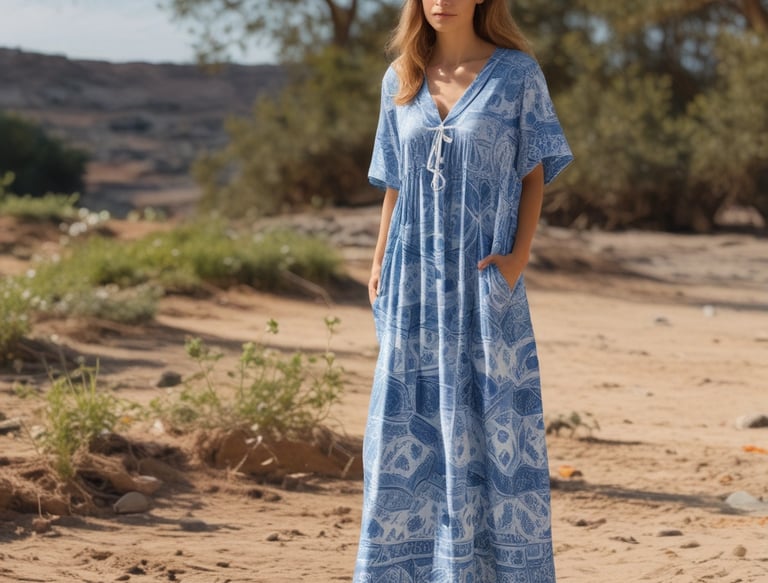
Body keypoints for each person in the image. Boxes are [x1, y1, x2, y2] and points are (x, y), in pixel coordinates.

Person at [354, 0, 573, 581]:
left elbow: (534, 171)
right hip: (412, 286)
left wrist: (516, 260)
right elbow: (395, 182)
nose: (441, 1)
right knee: (404, 428)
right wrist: (377, 262)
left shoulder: (517, 74)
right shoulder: (400, 78)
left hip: (483, 284)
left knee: (492, 430)